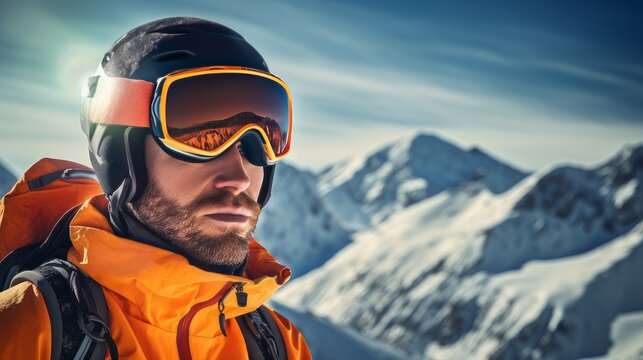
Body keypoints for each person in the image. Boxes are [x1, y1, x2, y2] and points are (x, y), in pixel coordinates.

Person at [0, 16, 312, 359]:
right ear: (121, 154)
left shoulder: (280, 344)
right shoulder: (27, 330)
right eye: (199, 138)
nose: (239, 178)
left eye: (256, 142)